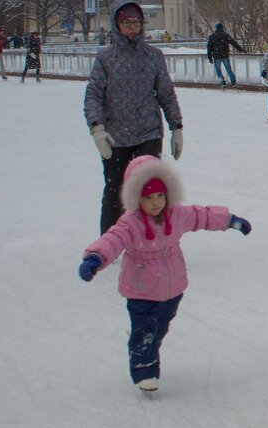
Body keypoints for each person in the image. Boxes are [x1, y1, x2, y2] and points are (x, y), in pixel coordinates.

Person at [77, 155, 252, 392]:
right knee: (144, 330)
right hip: (140, 288)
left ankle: (147, 349)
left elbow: (202, 216)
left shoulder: (177, 214)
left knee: (159, 328)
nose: (156, 202)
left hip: (172, 287)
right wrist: (95, 257)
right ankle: (143, 369)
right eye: (148, 198)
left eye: (160, 195)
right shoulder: (131, 223)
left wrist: (230, 220)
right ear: (136, 198)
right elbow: (113, 239)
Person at [84, 0, 184, 234]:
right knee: (115, 190)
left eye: (136, 22)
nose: (132, 26)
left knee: (151, 190)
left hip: (148, 133)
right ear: (117, 25)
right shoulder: (106, 58)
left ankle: (154, 236)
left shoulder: (153, 56)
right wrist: (97, 129)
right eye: (127, 22)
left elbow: (166, 94)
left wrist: (176, 127)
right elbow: (93, 95)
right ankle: (110, 240)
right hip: (116, 136)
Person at [206, 22, 244, 88]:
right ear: (222, 28)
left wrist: (210, 57)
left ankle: (222, 83)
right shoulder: (226, 35)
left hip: (217, 56)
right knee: (229, 69)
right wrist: (240, 49)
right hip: (225, 55)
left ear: (216, 28)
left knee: (218, 70)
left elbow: (209, 47)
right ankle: (233, 82)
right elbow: (233, 43)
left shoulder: (212, 36)